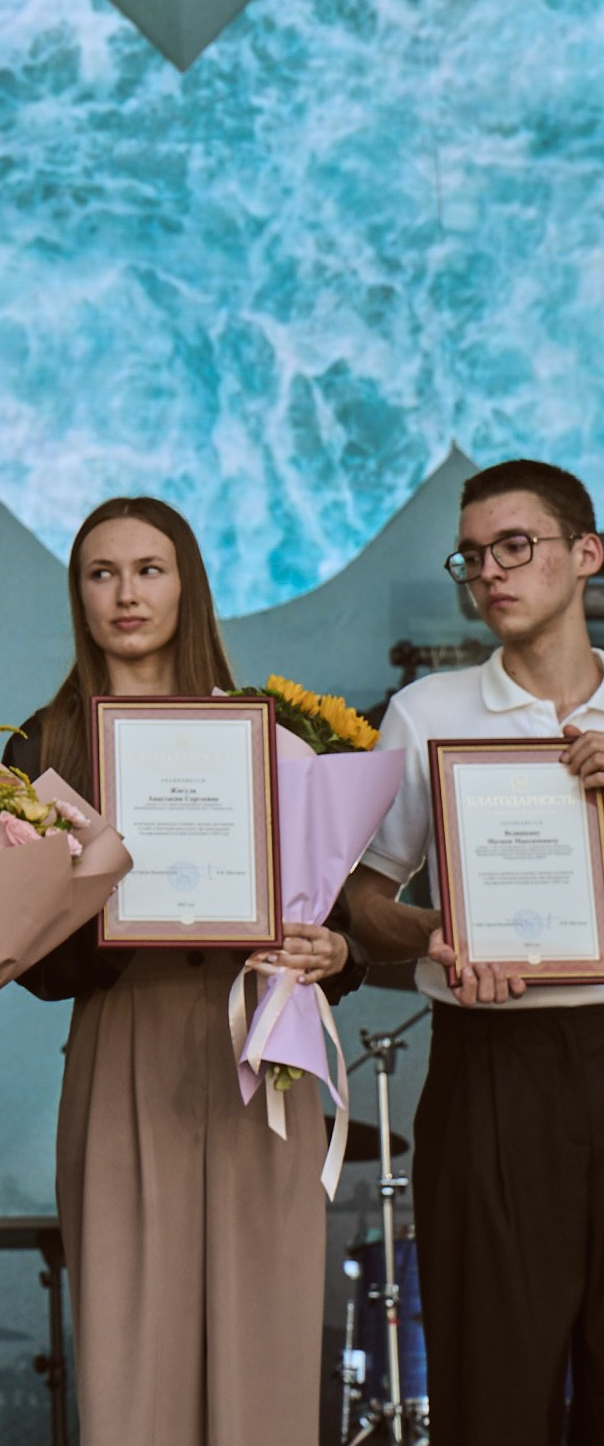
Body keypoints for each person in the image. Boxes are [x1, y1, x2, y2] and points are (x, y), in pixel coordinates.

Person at [6, 496, 355, 1446]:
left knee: (266, 1334)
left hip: (261, 1041)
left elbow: (341, 913)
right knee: (133, 1341)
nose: (126, 594)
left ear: (188, 585)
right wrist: (112, 908)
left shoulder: (272, 729)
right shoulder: (45, 746)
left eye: (149, 569)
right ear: (77, 593)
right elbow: (31, 962)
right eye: (101, 572)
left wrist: (336, 951)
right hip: (124, 1042)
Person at [341, 458, 604, 1442]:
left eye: (515, 546)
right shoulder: (427, 715)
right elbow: (361, 899)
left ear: (586, 555)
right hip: (491, 1067)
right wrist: (434, 937)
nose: (490, 571)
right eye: (472, 556)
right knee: (491, 1389)